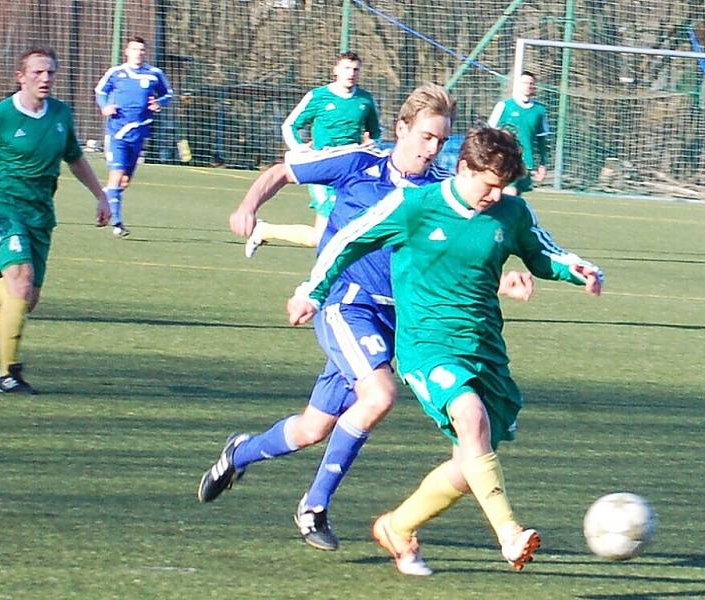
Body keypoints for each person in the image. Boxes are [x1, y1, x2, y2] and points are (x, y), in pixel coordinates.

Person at [198, 85, 535, 553]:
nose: (432, 149)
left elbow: (451, 258)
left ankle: (240, 452)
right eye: (425, 137)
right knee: (378, 396)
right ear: (401, 129)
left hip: (397, 322)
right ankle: (314, 505)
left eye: (441, 140)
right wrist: (249, 206)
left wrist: (503, 281)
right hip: (346, 305)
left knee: (313, 428)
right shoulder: (358, 164)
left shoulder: (436, 193)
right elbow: (283, 170)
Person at [287, 126, 603, 575]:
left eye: (503, 185)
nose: (496, 194)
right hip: (426, 346)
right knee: (469, 416)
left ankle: (397, 527)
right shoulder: (416, 206)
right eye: (488, 183)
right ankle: (510, 534)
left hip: (484, 349)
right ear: (463, 168)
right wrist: (312, 292)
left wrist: (578, 269)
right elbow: (348, 239)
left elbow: (543, 254)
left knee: (468, 464)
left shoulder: (511, 213)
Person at [0, 46, 110, 394]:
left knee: (24, 299)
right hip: (3, 207)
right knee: (21, 283)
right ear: (20, 76)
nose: (45, 78)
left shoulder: (61, 114)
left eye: (50, 73)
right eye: (37, 73)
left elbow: (74, 158)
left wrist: (101, 195)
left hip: (40, 213)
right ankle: (6, 375)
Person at [243, 51, 381, 258]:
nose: (351, 73)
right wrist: (298, 148)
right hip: (322, 168)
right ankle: (265, 232)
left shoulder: (365, 100)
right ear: (335, 70)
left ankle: (265, 231)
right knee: (324, 237)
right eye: (346, 68)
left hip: (351, 171)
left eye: (355, 69)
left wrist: (371, 144)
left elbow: (375, 133)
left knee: (337, 233)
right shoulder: (318, 96)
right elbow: (290, 125)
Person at [94, 35, 173, 237]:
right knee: (117, 174)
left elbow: (168, 94)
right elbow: (100, 91)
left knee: (124, 182)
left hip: (138, 135)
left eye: (141, 50)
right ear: (127, 51)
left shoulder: (154, 73)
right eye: (135, 49)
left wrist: (159, 103)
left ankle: (106, 196)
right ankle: (118, 223)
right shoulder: (116, 73)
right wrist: (105, 107)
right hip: (117, 133)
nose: (138, 53)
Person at [488, 70, 550, 195]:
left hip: (526, 162)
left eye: (531, 83)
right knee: (509, 192)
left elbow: (542, 140)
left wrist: (542, 164)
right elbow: (489, 133)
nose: (528, 85)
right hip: (506, 159)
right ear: (518, 85)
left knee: (515, 197)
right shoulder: (504, 106)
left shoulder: (539, 110)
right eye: (525, 82)